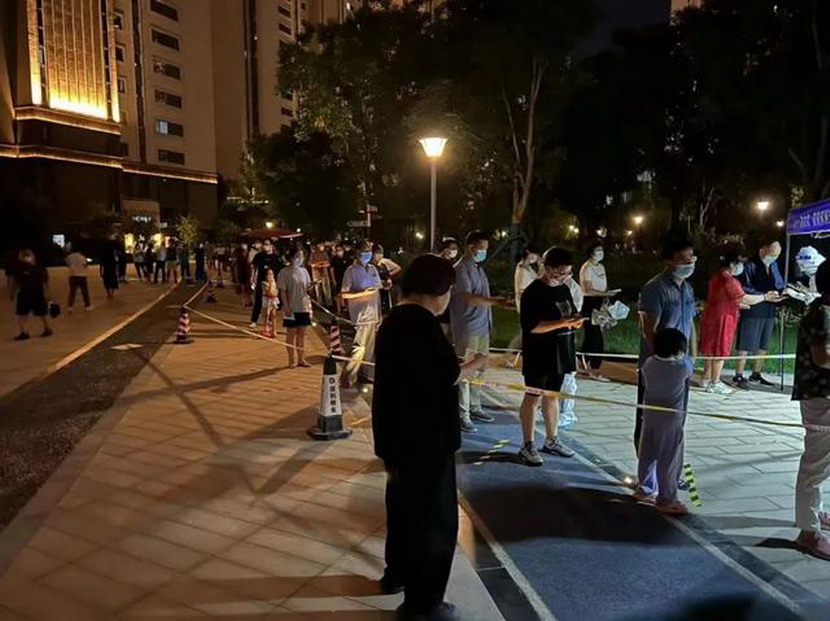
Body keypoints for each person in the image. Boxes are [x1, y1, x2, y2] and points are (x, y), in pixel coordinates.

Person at [373, 254, 488, 621]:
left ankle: (397, 574)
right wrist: (473, 364)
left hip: (397, 437)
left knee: (402, 510)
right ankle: (424, 604)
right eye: (449, 289)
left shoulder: (394, 320)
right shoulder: (421, 324)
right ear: (436, 290)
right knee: (433, 522)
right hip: (426, 441)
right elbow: (440, 376)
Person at [517, 247, 580, 466]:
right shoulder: (533, 292)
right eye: (561, 272)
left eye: (568, 273)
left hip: (561, 352)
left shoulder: (563, 288)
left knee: (553, 395)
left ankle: (552, 439)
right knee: (533, 397)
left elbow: (570, 313)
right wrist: (562, 323)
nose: (564, 277)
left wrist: (575, 321)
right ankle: (528, 444)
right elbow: (532, 326)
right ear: (547, 268)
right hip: (539, 353)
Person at [637, 231, 697, 453]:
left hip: (681, 364)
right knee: (650, 421)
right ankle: (646, 468)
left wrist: (693, 356)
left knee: (677, 418)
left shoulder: (687, 288)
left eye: (692, 258)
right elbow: (648, 330)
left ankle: (670, 463)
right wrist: (661, 364)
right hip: (659, 366)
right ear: (669, 261)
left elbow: (690, 323)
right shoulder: (655, 288)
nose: (689, 263)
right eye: (684, 259)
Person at [450, 230, 508, 433]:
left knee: (480, 369)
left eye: (486, 248)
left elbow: (482, 298)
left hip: (482, 325)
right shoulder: (461, 269)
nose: (484, 252)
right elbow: (468, 298)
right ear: (470, 247)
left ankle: (475, 406)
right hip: (467, 326)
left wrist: (494, 314)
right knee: (466, 369)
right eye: (481, 248)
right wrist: (495, 302)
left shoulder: (478, 269)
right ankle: (462, 413)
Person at [699, 246, 778, 394]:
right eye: (739, 262)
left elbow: (723, 298)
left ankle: (706, 378)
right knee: (720, 350)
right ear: (732, 264)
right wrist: (765, 297)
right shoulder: (729, 280)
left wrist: (739, 305)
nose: (741, 266)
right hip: (723, 319)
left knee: (711, 350)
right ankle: (715, 382)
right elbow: (744, 297)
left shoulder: (717, 277)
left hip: (712, 317)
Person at [633, 328, 694, 515]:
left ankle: (645, 489)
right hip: (670, 420)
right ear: (678, 350)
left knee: (647, 453)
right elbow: (690, 364)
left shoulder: (649, 364)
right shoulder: (682, 367)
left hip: (649, 415)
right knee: (669, 458)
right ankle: (667, 499)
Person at [792, 261, 830, 560]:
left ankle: (816, 514)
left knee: (823, 462)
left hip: (822, 394)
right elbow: (823, 357)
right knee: (816, 465)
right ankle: (808, 532)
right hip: (822, 396)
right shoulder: (824, 313)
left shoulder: (822, 308)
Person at [732, 241, 785, 389]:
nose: (775, 257)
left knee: (764, 343)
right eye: (772, 254)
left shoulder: (773, 264)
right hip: (753, 307)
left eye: (777, 255)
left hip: (769, 308)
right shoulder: (749, 265)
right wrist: (764, 295)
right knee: (746, 343)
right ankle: (738, 375)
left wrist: (780, 293)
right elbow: (745, 288)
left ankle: (756, 373)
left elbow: (779, 283)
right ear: (762, 250)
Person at [341, 241, 382, 386]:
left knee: (369, 349)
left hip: (373, 313)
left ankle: (364, 374)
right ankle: (347, 378)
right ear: (357, 253)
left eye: (369, 251)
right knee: (359, 347)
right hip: (360, 314)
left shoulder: (372, 269)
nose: (367, 254)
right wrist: (362, 293)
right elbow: (344, 294)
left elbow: (377, 289)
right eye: (364, 251)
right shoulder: (351, 271)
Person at [580, 241, 615, 381]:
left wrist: (606, 296)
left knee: (595, 334)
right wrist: (604, 294)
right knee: (594, 335)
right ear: (591, 253)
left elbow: (603, 285)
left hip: (600, 301)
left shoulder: (601, 267)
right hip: (590, 302)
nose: (601, 253)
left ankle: (585, 364)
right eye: (598, 250)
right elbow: (588, 289)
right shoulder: (587, 268)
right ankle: (592, 367)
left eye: (602, 250)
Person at [278, 246, 314, 368]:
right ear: (292, 257)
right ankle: (291, 360)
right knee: (291, 334)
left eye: (302, 256)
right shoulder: (284, 272)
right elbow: (282, 291)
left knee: (301, 335)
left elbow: (307, 287)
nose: (300, 259)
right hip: (291, 307)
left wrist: (312, 286)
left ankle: (301, 359)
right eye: (298, 256)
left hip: (303, 306)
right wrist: (286, 306)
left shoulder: (304, 271)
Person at [11, 250, 52, 340]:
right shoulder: (39, 267)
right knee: (42, 312)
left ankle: (24, 332)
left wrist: (12, 292)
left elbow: (15, 282)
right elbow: (45, 281)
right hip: (38, 292)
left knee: (22, 314)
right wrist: (47, 292)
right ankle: (47, 329)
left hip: (25, 293)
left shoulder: (19, 268)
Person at [249, 239, 281, 329]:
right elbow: (254, 267)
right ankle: (254, 320)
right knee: (258, 301)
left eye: (267, 244)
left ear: (271, 246)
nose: (265, 246)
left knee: (272, 303)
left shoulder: (276, 257)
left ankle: (270, 320)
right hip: (261, 281)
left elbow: (280, 271)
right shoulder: (259, 256)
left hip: (272, 283)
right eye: (264, 244)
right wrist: (252, 277)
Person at [437, 238, 460, 337]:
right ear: (445, 250)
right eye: (452, 248)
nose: (455, 251)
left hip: (450, 300)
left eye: (456, 248)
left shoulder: (452, 262)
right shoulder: (439, 263)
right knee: (443, 326)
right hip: (441, 298)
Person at [371, 243, 402, 315]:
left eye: (381, 253)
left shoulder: (383, 264)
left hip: (385, 292)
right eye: (377, 253)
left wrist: (388, 279)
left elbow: (389, 274)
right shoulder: (369, 266)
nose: (379, 255)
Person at [513, 246, 543, 313]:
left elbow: (538, 279)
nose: (537, 257)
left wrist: (540, 266)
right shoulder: (521, 269)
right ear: (528, 253)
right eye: (536, 254)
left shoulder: (528, 268)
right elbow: (519, 291)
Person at [66, 245, 92, 312]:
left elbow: (68, 265)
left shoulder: (69, 257)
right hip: (82, 276)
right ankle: (87, 306)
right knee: (85, 292)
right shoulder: (82, 257)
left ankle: (70, 307)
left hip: (73, 275)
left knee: (72, 292)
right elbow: (85, 265)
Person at [310, 242, 333, 307]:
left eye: (322, 245)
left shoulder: (325, 253)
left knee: (326, 288)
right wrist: (321, 263)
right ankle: (320, 303)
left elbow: (328, 263)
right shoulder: (313, 254)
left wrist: (318, 264)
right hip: (316, 273)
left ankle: (329, 303)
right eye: (320, 245)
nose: (322, 247)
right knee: (318, 288)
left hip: (324, 273)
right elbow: (311, 264)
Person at [330, 242, 351, 314]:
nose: (339, 251)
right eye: (337, 250)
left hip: (346, 279)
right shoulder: (334, 259)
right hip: (338, 279)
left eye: (340, 249)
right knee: (337, 294)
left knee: (347, 294)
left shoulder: (347, 257)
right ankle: (338, 310)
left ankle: (347, 308)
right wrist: (333, 280)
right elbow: (332, 270)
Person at [261, 269, 279, 338]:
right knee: (266, 315)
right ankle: (266, 329)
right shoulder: (264, 283)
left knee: (273, 315)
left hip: (273, 300)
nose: (270, 276)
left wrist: (276, 293)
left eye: (272, 274)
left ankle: (274, 330)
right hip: (267, 300)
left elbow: (276, 291)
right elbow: (268, 292)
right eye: (269, 274)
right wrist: (271, 284)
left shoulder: (274, 283)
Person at [233, 242, 252, 306]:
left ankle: (249, 300)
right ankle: (244, 301)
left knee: (248, 287)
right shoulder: (238, 253)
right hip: (241, 271)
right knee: (243, 286)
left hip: (248, 271)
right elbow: (235, 263)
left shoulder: (249, 253)